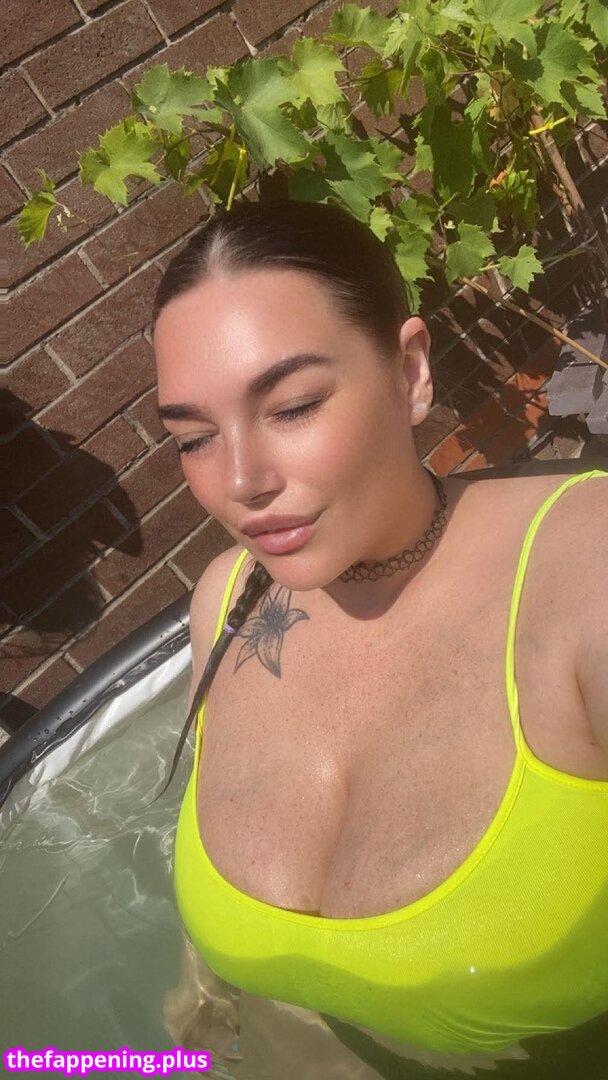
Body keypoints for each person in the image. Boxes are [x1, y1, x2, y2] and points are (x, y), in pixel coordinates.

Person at [152, 199, 607, 1072]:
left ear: (410, 372)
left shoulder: (586, 575)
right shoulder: (226, 603)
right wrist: (203, 983)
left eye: (293, 406)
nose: (240, 480)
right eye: (194, 438)